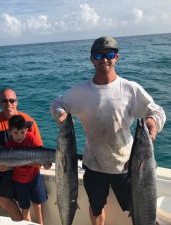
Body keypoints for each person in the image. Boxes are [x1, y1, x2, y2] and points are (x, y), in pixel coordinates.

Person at [50, 36, 166, 225]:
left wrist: (152, 123)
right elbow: (57, 103)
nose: (104, 59)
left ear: (116, 57)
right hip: (93, 164)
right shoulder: (80, 92)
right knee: (96, 207)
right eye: (98, 55)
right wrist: (60, 115)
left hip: (127, 165)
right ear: (92, 59)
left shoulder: (130, 89)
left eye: (109, 54)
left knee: (137, 207)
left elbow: (156, 110)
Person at [0, 88, 43, 221]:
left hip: (19, 167)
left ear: (17, 102)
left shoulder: (28, 121)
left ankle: (20, 223)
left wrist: (13, 167)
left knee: (1, 198)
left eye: (12, 100)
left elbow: (38, 149)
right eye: (4, 101)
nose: (8, 104)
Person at [5, 115, 50, 224]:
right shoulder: (8, 145)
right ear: (10, 132)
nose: (20, 136)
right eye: (16, 133)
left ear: (26, 130)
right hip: (19, 181)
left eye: (22, 132)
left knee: (38, 204)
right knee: (25, 207)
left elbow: (40, 154)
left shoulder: (30, 137)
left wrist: (45, 164)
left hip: (34, 177)